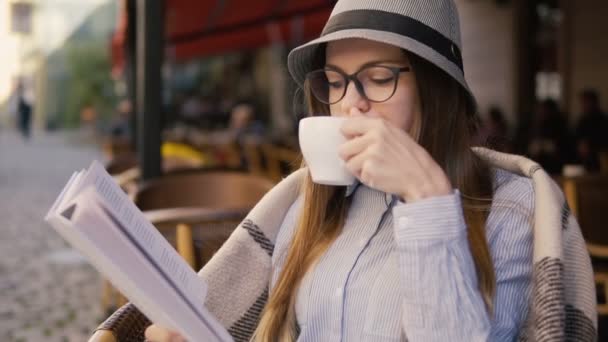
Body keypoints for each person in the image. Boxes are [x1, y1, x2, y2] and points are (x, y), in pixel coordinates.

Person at [144, 1, 590, 341]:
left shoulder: (511, 210)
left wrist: (428, 202)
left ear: (436, 90)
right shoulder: (306, 208)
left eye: (378, 78)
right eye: (335, 82)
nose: (351, 103)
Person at [574, 89, 608, 171]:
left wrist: (590, 146)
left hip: (598, 158)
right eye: (582, 102)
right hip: (582, 160)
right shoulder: (582, 120)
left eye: (586, 102)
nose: (583, 105)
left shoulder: (602, 120)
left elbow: (604, 140)